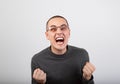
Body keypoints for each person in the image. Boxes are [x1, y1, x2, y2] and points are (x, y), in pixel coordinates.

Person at [31, 15, 95, 84]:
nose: (59, 32)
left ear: (69, 33)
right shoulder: (37, 60)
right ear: (47, 35)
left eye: (63, 28)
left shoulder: (82, 54)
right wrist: (40, 83)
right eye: (53, 29)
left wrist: (87, 78)